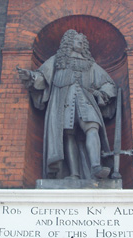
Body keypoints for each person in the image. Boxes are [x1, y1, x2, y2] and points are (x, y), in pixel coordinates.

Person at [17, 29, 117, 180]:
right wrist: (31, 76)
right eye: (78, 41)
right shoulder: (57, 60)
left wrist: (102, 93)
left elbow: (109, 83)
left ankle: (96, 166)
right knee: (68, 135)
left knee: (92, 127)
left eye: (83, 42)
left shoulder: (90, 64)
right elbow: (42, 76)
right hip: (63, 101)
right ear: (69, 43)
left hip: (86, 100)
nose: (81, 43)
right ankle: (74, 174)